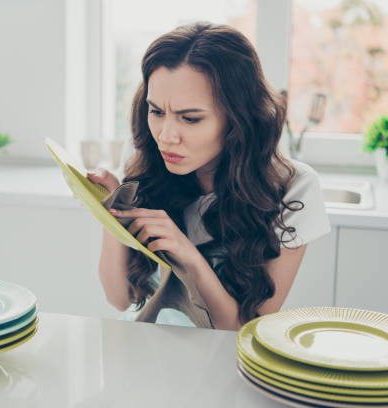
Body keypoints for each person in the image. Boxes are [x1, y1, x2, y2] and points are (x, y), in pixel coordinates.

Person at [87, 22, 330, 331]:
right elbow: (119, 299)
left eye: (190, 118)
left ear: (237, 118)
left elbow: (246, 330)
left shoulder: (294, 188)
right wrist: (113, 214)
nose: (166, 136)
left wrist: (186, 254)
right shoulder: (144, 157)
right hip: (139, 350)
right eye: (156, 112)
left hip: (224, 366)